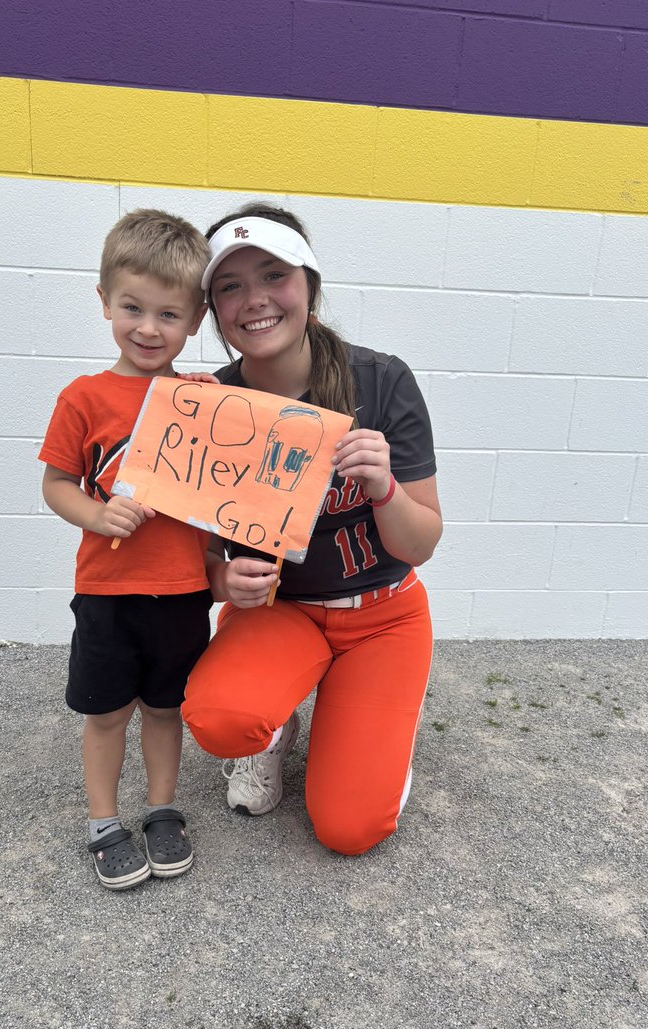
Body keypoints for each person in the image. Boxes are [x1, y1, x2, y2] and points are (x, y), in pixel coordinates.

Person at [181, 203, 442, 856]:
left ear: (309, 287)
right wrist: (219, 578)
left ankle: (372, 746)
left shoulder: (381, 380)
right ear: (213, 309)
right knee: (219, 719)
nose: (255, 300)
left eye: (274, 275)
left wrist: (384, 487)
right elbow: (202, 557)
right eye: (230, 286)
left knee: (349, 829)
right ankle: (273, 733)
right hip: (281, 612)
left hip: (382, 614)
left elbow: (421, 544)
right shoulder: (212, 404)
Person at [39, 209, 212, 890]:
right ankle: (104, 822)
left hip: (182, 591)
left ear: (195, 321)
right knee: (108, 712)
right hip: (108, 591)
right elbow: (55, 485)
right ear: (105, 299)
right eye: (133, 307)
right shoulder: (83, 398)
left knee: (167, 709)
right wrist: (96, 513)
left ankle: (163, 810)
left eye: (169, 315)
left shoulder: (202, 400)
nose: (148, 327)